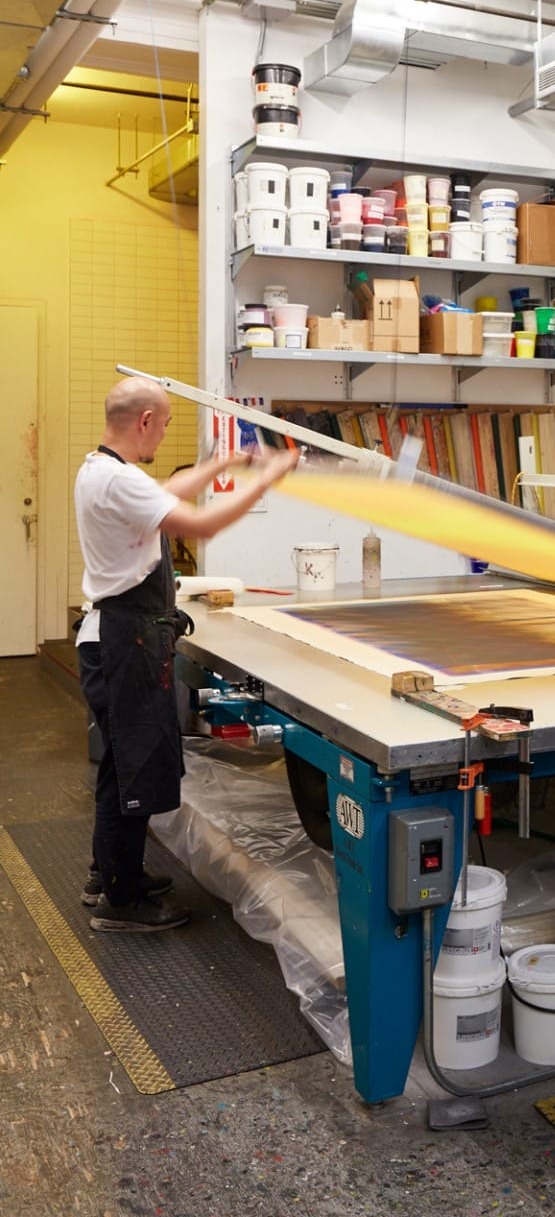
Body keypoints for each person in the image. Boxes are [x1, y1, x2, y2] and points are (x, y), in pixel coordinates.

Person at [75, 376, 299, 933]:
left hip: (116, 638)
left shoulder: (100, 469)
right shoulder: (119, 480)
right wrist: (265, 480)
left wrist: (224, 464)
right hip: (123, 645)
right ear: (145, 421)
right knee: (132, 774)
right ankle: (122, 902)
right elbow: (203, 522)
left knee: (121, 768)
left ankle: (112, 874)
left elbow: (168, 493)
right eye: (166, 424)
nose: (164, 434)